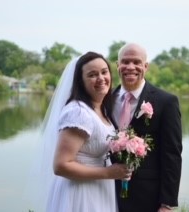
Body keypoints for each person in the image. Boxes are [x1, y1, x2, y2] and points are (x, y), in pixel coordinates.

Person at [31, 52, 131, 212]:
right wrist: (108, 172)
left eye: (104, 72)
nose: (101, 78)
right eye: (92, 74)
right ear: (80, 81)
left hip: (100, 188)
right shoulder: (78, 112)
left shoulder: (102, 109)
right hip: (79, 192)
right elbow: (61, 166)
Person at [112, 43, 183, 212]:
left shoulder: (166, 102)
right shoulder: (106, 100)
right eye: (125, 62)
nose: (131, 67)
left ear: (146, 66)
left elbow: (172, 155)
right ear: (117, 66)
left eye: (137, 62)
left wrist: (167, 203)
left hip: (147, 197)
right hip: (105, 192)